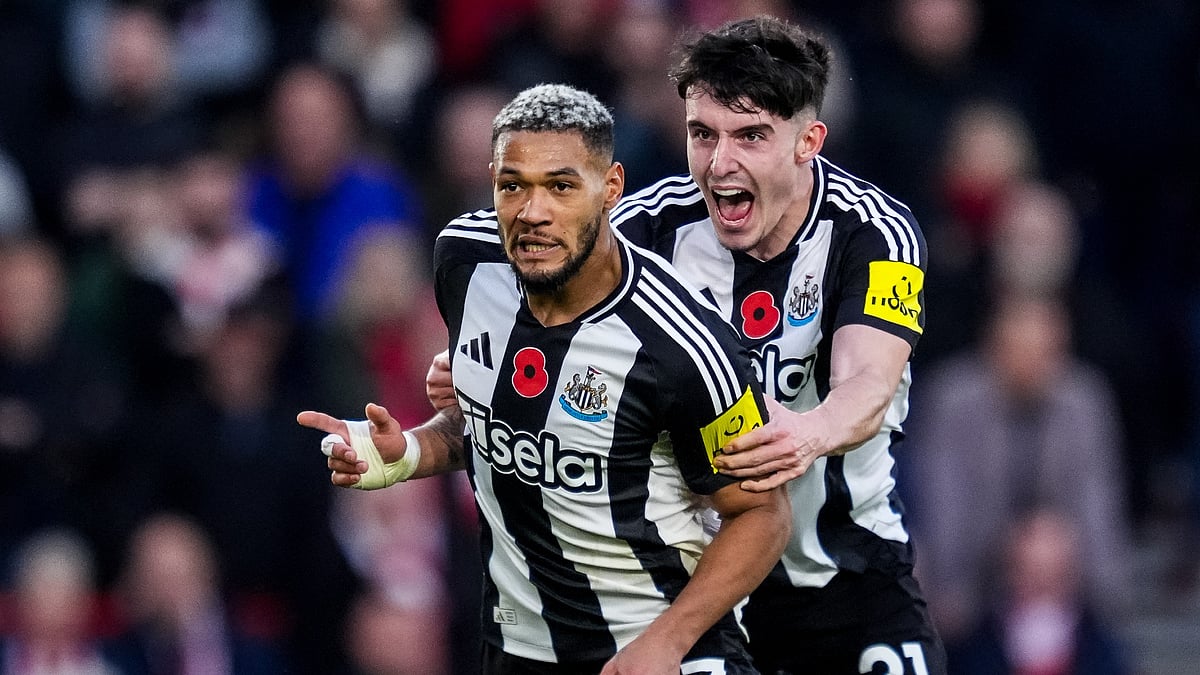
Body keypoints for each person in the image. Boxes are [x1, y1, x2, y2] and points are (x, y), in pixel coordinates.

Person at [424, 15, 945, 675]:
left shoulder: (876, 233)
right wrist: (481, 366)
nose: (721, 163)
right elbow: (548, 309)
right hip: (703, 591)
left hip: (850, 581)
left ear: (807, 141)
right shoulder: (645, 228)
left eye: (751, 136)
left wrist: (808, 432)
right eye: (704, 134)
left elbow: (868, 383)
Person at [299, 83, 791, 674]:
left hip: (665, 650)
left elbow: (763, 513)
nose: (533, 213)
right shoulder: (464, 264)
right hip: (520, 649)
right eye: (514, 187)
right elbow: (486, 420)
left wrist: (667, 640)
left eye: (560, 186)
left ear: (610, 188)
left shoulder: (684, 345)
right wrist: (406, 452)